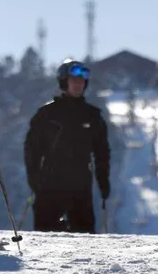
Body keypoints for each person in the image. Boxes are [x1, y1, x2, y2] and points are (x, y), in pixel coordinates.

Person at [24, 59, 111, 233]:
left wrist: (103, 183)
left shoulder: (92, 116)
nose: (78, 85)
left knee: (84, 240)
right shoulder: (47, 114)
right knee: (45, 239)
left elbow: (102, 153)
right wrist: (34, 180)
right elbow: (32, 150)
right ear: (64, 82)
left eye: (81, 81)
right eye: (74, 81)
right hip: (49, 186)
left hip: (81, 187)